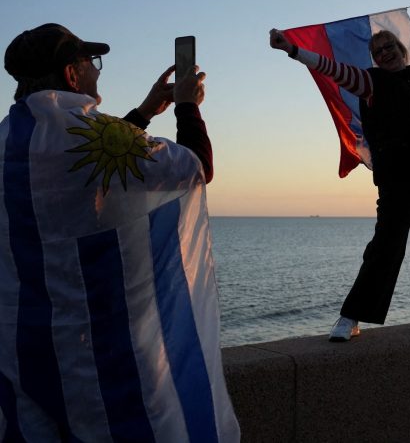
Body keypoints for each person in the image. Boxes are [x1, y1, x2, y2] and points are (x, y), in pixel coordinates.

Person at [0, 24, 239, 441]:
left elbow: (89, 164)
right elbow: (195, 168)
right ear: (72, 75)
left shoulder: (8, 142)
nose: (97, 71)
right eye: (91, 63)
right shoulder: (94, 138)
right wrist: (187, 106)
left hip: (23, 355)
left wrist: (144, 113)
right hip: (100, 354)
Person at [270, 0, 410, 342]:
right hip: (398, 181)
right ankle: (350, 317)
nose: (384, 52)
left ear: (401, 49)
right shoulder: (369, 82)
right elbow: (331, 67)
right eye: (377, 50)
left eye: (389, 46)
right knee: (385, 248)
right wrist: (294, 50)